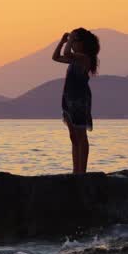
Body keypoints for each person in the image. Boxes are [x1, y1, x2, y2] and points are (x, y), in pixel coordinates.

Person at [52, 28, 100, 174]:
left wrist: (70, 39)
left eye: (76, 41)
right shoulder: (74, 59)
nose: (72, 44)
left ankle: (82, 171)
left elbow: (66, 54)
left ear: (82, 43)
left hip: (79, 99)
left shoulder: (84, 58)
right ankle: (75, 170)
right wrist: (62, 41)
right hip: (69, 97)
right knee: (73, 136)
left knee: (80, 134)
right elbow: (56, 57)